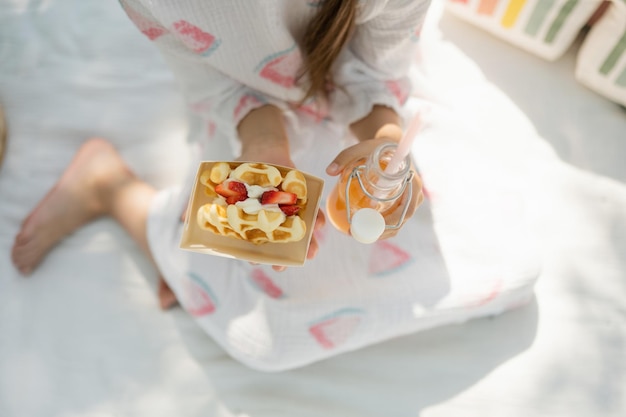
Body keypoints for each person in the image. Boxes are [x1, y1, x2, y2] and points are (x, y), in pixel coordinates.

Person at [11, 0, 538, 371]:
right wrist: (265, 152)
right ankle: (116, 189)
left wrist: (383, 142)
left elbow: (378, 77)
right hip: (251, 119)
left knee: (516, 272)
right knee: (263, 342)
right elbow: (214, 84)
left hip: (370, 105)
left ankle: (172, 246)